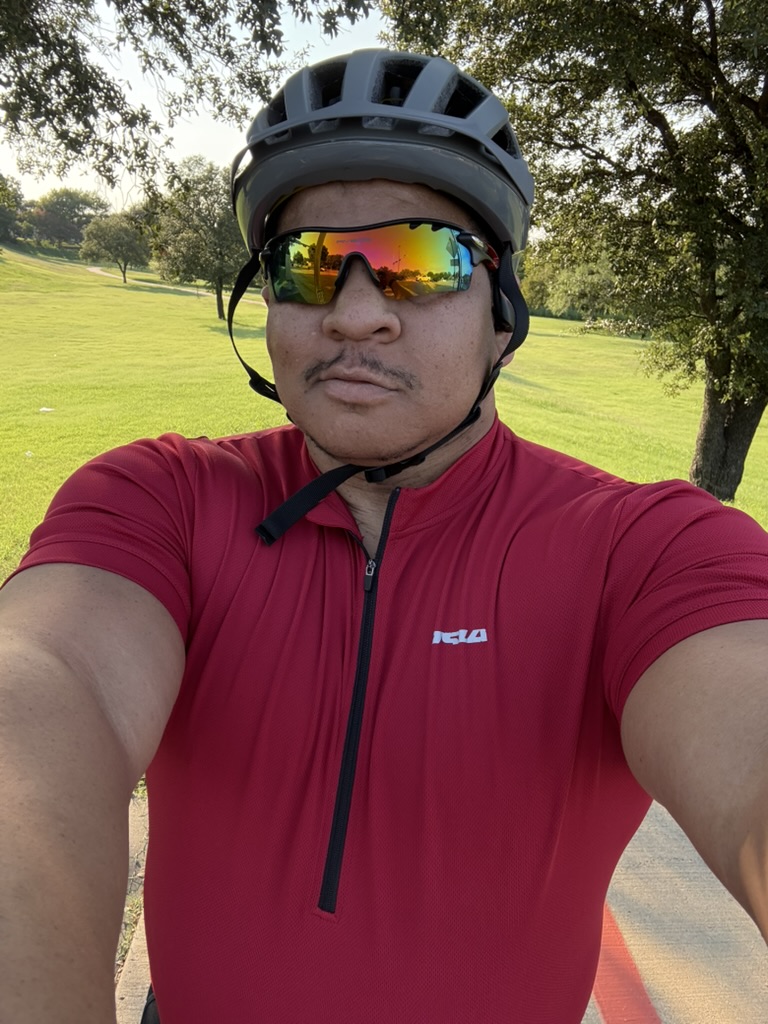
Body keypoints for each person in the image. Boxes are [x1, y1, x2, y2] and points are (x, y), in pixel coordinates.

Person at [1, 48, 767, 1024]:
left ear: (502, 313)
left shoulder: (642, 547)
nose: (356, 316)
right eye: (308, 265)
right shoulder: (160, 500)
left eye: (422, 260)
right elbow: (40, 688)